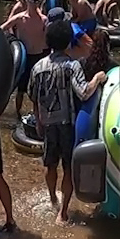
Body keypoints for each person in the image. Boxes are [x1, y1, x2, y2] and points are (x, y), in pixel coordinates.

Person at [29, 21, 108, 224]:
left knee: (50, 165)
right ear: (68, 43)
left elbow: (34, 96)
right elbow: (83, 92)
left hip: (47, 122)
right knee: (68, 167)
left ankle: (52, 198)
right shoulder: (72, 66)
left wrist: (38, 120)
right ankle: (62, 212)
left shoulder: (38, 67)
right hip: (67, 123)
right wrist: (97, 78)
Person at [1, 0, 50, 118]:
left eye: (37, 1)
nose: (35, 4)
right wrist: (11, 40)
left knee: (38, 88)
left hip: (39, 57)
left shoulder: (44, 19)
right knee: (20, 89)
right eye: (33, 1)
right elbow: (3, 28)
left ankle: (36, 115)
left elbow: (48, 39)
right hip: (24, 57)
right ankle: (17, 114)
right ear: (27, 2)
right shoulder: (20, 18)